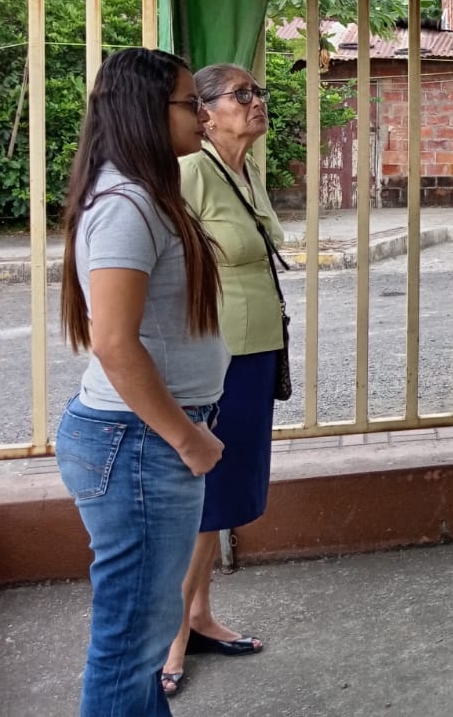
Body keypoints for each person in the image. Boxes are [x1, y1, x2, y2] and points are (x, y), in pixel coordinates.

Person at [55, 48, 227, 717]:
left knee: (143, 643)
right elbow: (113, 342)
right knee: (131, 647)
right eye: (191, 103)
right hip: (138, 447)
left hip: (140, 443)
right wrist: (187, 439)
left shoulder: (143, 194)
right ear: (145, 111)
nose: (204, 116)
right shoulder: (126, 204)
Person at [160, 64, 280, 695]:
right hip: (217, 357)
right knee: (205, 497)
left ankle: (199, 615)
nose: (257, 102)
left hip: (255, 351)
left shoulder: (245, 169)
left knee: (226, 495)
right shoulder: (189, 171)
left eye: (258, 92)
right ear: (204, 113)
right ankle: (172, 635)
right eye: (242, 94)